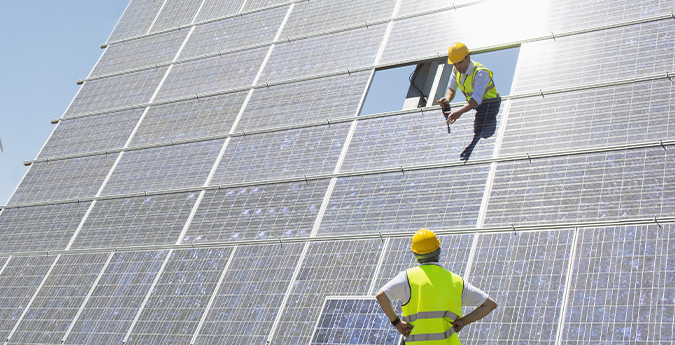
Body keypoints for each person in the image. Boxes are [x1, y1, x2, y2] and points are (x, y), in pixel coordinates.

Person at [376, 229, 497, 344]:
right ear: (438, 250)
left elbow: (381, 295)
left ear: (415, 253)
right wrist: (463, 321)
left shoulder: (406, 278)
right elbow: (490, 304)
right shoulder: (456, 281)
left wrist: (397, 323)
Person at [437, 42, 501, 160]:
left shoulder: (481, 72)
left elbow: (476, 99)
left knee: (482, 133)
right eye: (455, 64)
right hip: (478, 106)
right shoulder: (456, 71)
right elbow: (451, 88)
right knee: (478, 131)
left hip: (491, 105)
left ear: (468, 58)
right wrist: (447, 99)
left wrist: (459, 112)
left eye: (460, 62)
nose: (458, 66)